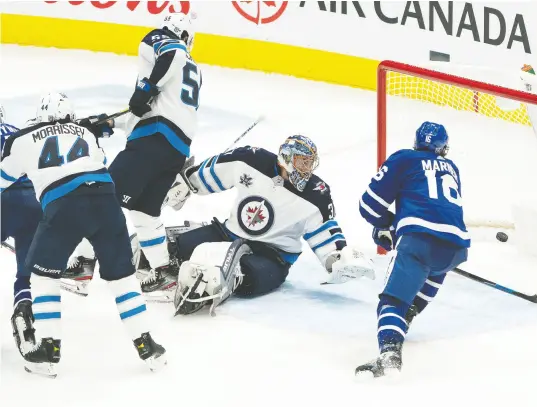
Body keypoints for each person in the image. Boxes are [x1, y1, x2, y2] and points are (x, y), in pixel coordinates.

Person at [0, 93, 166, 378]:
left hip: (63, 205)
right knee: (123, 280)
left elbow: (5, 178)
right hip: (106, 200)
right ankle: (148, 345)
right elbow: (94, 158)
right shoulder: (86, 134)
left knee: (43, 276)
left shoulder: (22, 138)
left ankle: (48, 350)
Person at [155, 135, 375, 314]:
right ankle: (194, 237)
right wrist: (188, 181)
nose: (307, 169)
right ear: (287, 159)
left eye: (310, 163)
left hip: (272, 256)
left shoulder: (317, 193)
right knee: (179, 248)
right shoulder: (251, 160)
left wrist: (336, 259)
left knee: (250, 280)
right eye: (302, 162)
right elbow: (216, 170)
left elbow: (324, 232)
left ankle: (226, 271)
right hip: (228, 234)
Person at [355, 121, 470, 378]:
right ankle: (402, 322)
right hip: (455, 249)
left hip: (419, 242)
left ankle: (389, 356)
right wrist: (395, 231)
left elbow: (369, 206)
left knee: (392, 302)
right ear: (443, 148)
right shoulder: (452, 168)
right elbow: (437, 209)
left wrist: (386, 227)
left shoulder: (405, 158)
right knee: (409, 305)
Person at [107, 11, 202, 295]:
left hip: (153, 140)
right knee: (144, 212)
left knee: (100, 195)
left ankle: (83, 264)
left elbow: (171, 52)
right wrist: (111, 121)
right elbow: (154, 110)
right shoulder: (193, 70)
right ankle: (162, 271)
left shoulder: (164, 42)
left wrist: (146, 88)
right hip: (175, 150)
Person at [1, 105, 44, 355]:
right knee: (24, 274)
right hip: (36, 204)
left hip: (4, 200)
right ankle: (24, 310)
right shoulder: (19, 132)